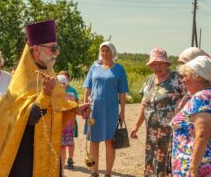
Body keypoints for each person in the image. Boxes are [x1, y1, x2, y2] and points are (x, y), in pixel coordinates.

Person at [0, 20, 90, 177]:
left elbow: (57, 105)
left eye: (56, 48)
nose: (56, 53)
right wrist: (44, 95)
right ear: (36, 49)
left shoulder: (50, 72)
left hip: (49, 149)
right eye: (53, 48)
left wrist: (76, 109)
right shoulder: (21, 80)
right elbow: (27, 118)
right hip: (25, 154)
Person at [130, 47, 186, 177]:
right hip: (152, 132)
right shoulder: (149, 80)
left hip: (171, 131)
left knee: (168, 158)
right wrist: (136, 126)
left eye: (160, 64)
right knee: (152, 157)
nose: (157, 67)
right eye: (154, 64)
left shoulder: (177, 78)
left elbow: (188, 100)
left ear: (167, 64)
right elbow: (143, 105)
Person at [83, 41, 129, 177]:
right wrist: (85, 106)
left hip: (111, 109)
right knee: (94, 141)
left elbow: (122, 93)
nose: (105, 53)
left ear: (113, 52)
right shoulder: (94, 67)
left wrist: (123, 112)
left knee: (109, 141)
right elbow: (87, 88)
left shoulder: (119, 69)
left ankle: (108, 173)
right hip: (94, 109)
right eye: (102, 50)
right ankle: (94, 171)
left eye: (107, 50)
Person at [170, 56, 211, 177]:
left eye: (185, 76)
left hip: (198, 167)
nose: (183, 80)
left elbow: (202, 134)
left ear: (197, 77)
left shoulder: (202, 97)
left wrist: (193, 169)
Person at [58, 70, 79, 169]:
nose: (62, 85)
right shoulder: (54, 96)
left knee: (64, 146)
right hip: (56, 126)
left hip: (67, 125)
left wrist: (73, 120)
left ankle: (63, 168)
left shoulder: (71, 94)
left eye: (63, 83)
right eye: (60, 83)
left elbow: (75, 108)